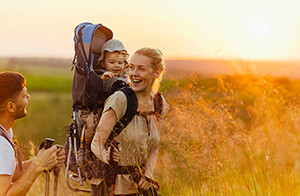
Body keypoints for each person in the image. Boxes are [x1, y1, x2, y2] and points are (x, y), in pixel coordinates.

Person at [91, 47, 169, 195]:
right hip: (114, 188)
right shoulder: (120, 100)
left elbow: (155, 144)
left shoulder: (159, 102)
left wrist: (149, 174)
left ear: (156, 72)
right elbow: (96, 143)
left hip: (142, 187)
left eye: (141, 69)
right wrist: (106, 156)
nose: (133, 74)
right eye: (131, 67)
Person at [0, 72, 66, 196]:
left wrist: (46, 158)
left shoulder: (4, 133)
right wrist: (38, 165)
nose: (29, 97)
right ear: (11, 107)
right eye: (24, 96)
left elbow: (8, 172)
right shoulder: (2, 144)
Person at [85, 39, 130, 142]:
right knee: (90, 124)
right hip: (100, 111)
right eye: (112, 62)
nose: (116, 65)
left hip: (118, 114)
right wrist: (102, 81)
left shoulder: (125, 79)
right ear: (103, 64)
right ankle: (86, 146)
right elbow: (93, 97)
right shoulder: (102, 76)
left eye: (120, 62)